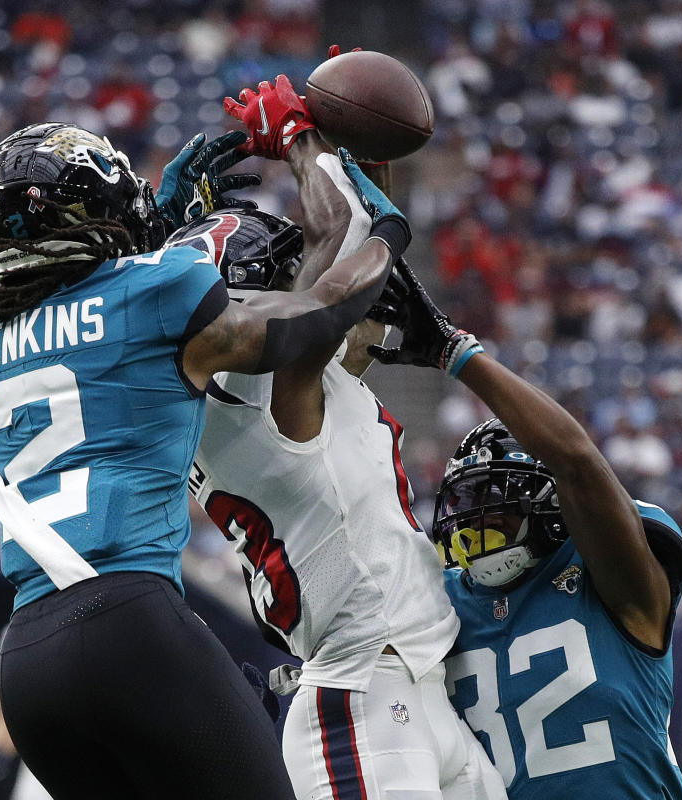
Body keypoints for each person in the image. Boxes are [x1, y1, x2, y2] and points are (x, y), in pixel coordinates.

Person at [0, 117, 410, 799]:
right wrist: (382, 233)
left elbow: (78, 320)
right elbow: (317, 311)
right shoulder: (158, 290)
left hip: (27, 664)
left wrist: (150, 221)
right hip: (129, 623)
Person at [177, 73, 507, 800]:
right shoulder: (269, 390)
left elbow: (354, 264)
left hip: (411, 685)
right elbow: (351, 236)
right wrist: (300, 139)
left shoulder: (248, 387)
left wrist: (359, 155)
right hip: (362, 694)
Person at [370, 261, 682, 798]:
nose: (478, 525)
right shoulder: (440, 598)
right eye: (469, 506)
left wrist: (457, 354)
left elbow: (577, 463)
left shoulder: (611, 583)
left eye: (496, 507)